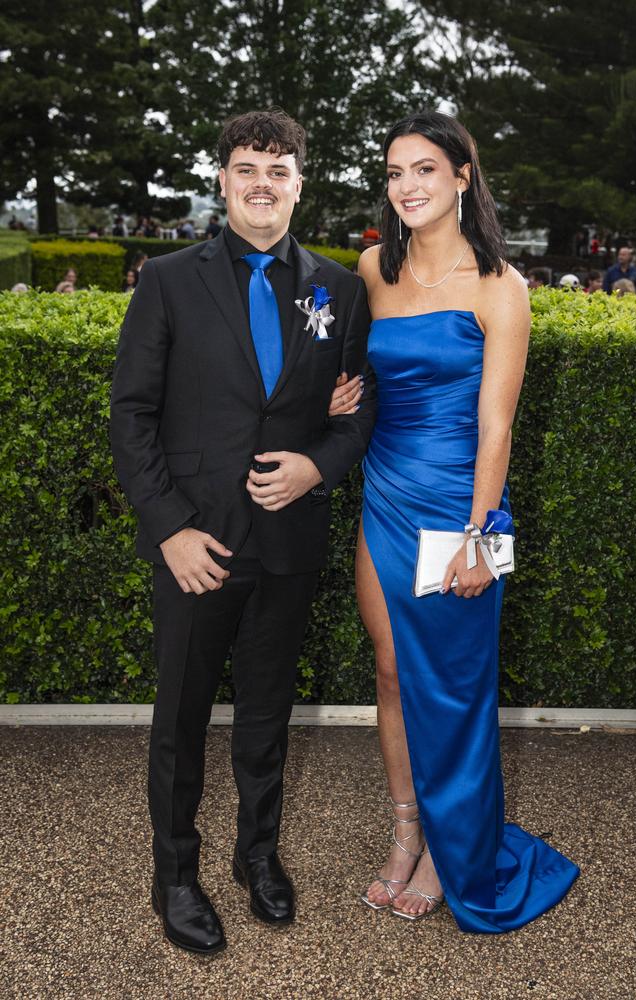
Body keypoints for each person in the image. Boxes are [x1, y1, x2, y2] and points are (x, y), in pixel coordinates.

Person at [110, 108, 375, 956]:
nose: (264, 183)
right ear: (222, 179)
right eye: (248, 167)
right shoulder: (169, 281)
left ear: (302, 183)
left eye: (281, 169)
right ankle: (174, 877)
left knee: (267, 716)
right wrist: (169, 531)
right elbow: (132, 414)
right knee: (181, 720)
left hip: (290, 542)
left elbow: (357, 415)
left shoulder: (339, 287)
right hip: (197, 545)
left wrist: (318, 466)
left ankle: (257, 856)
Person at [337, 109, 578, 932]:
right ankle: (407, 833)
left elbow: (497, 426)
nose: (406, 185)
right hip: (384, 493)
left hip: (461, 512)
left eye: (425, 170)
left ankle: (452, 849)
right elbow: (360, 378)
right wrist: (346, 398)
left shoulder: (501, 284)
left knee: (459, 689)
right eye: (396, 172)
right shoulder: (372, 267)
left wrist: (484, 537)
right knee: (393, 673)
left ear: (462, 177)